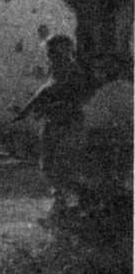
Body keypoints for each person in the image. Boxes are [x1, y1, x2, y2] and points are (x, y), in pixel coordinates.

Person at [14, 34, 89, 215]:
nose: (50, 55)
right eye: (50, 52)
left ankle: (77, 198)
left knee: (62, 163)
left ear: (66, 51)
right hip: (53, 122)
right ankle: (62, 199)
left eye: (54, 51)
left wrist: (48, 108)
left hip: (69, 123)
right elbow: (44, 91)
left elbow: (76, 101)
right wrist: (27, 109)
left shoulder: (75, 72)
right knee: (47, 163)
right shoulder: (55, 70)